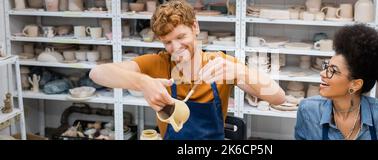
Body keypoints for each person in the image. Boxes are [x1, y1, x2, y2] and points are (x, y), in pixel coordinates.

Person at [89, 0, 285, 140]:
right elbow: (97, 73)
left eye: (181, 37)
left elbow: (278, 97)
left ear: (195, 27)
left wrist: (240, 72)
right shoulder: (159, 64)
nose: (175, 48)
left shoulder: (221, 64)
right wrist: (143, 82)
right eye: (167, 42)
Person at [294, 24, 378, 140]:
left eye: (332, 71)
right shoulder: (308, 111)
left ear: (355, 84)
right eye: (326, 67)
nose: (322, 74)